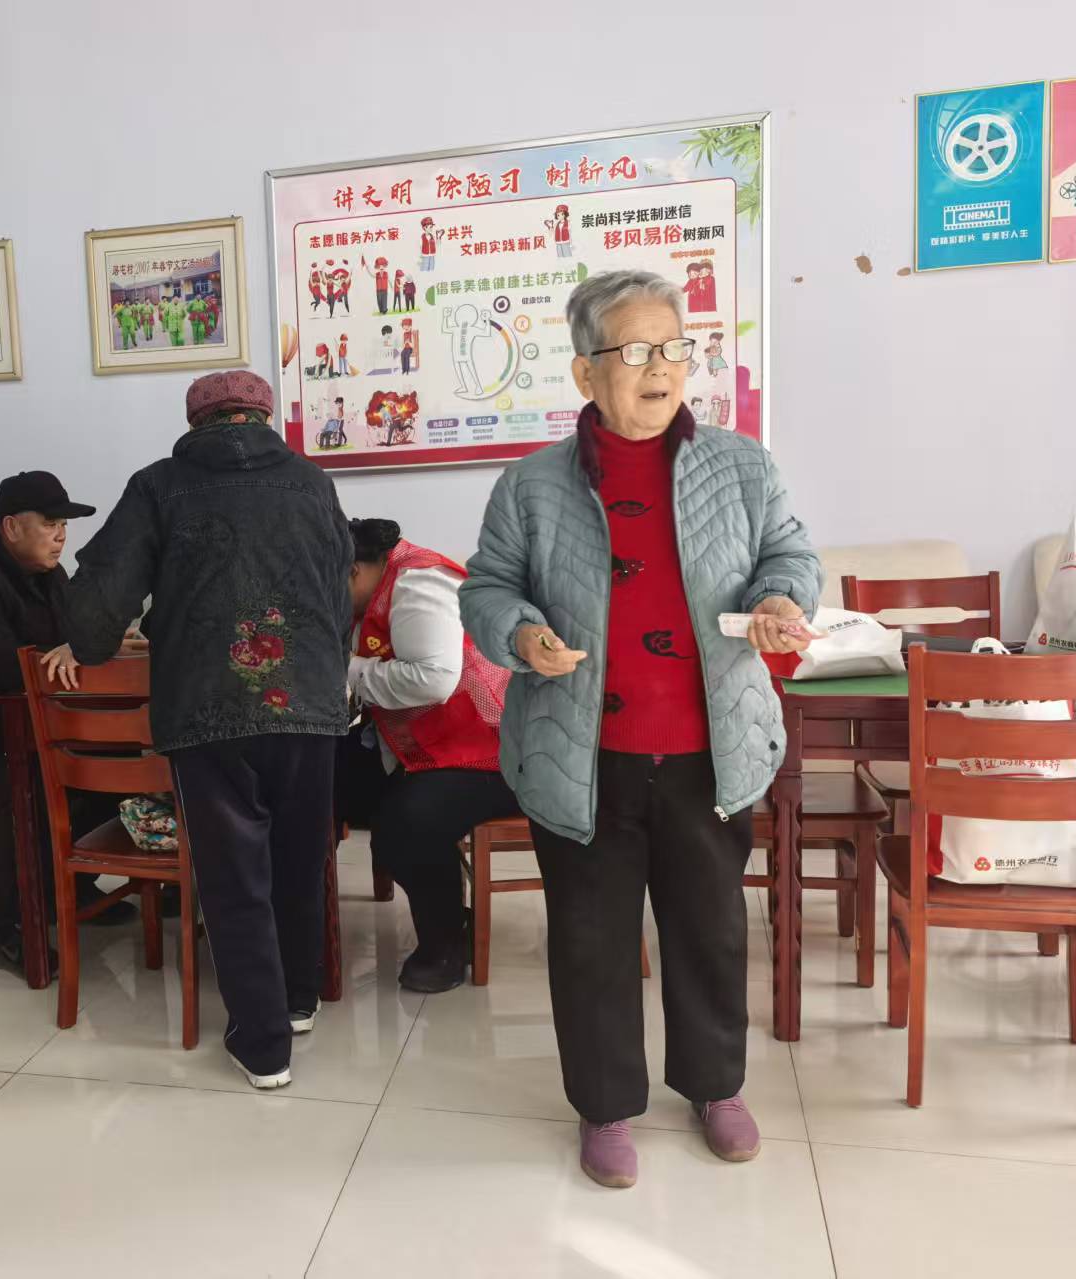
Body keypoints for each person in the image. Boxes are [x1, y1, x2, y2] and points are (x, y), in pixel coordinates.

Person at [460, 269, 819, 1190]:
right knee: (592, 940)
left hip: (709, 749)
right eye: (635, 350)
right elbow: (487, 586)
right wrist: (520, 634)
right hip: (580, 756)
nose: (661, 368)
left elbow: (790, 552)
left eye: (674, 347)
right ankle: (605, 1104)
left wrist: (782, 597)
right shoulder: (531, 485)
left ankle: (715, 1085)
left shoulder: (742, 466)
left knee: (710, 929)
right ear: (587, 372)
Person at [64, 370, 353, 1091]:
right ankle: (298, 999)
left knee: (234, 875)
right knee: (300, 857)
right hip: (309, 703)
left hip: (207, 709)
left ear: (195, 423)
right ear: (264, 417)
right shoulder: (313, 483)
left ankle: (263, 1045)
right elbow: (339, 592)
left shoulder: (159, 486)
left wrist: (92, 637)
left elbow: (95, 614)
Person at [0, 472, 138, 971]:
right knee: (25, 788)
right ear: (12, 527)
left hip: (36, 736)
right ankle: (8, 930)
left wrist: (100, 642)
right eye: (51, 524)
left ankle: (72, 885)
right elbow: (7, 670)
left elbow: (74, 633)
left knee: (120, 765)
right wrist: (71, 651)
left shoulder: (47, 571)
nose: (61, 536)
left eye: (65, 526)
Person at [334, 518, 520, 992]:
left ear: (353, 570)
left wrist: (346, 669)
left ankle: (446, 945)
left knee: (405, 827)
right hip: (434, 742)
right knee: (321, 781)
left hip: (494, 750)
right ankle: (309, 934)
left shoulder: (419, 583)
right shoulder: (377, 592)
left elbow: (433, 680)